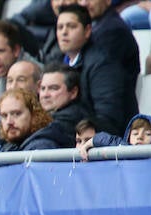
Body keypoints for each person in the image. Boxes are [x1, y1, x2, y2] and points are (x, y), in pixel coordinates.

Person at [56, 4, 138, 136]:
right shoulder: (59, 62)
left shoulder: (103, 65)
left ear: (88, 31)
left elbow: (109, 119)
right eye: (60, 27)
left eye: (71, 26)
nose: (64, 32)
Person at [0, 88, 73, 151]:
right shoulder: (7, 147)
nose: (9, 122)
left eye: (17, 114)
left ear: (34, 115)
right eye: (4, 116)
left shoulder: (42, 147)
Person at [38, 63, 90, 135]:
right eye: (42, 88)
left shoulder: (70, 120)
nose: (45, 95)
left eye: (53, 88)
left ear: (73, 92)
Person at [77, 114, 151, 160]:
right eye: (135, 133)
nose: (140, 137)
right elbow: (105, 139)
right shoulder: (123, 147)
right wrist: (87, 144)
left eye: (148, 134)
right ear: (128, 136)